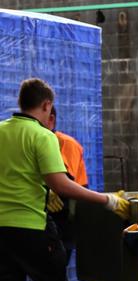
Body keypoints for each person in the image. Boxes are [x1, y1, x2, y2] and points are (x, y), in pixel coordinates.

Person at [1, 79, 129, 281]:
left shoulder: (1, 130)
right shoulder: (41, 135)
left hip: (1, 232)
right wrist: (106, 199)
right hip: (31, 228)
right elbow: (61, 184)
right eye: (50, 111)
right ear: (46, 106)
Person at [42, 105, 89, 259]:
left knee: (55, 267)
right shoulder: (36, 143)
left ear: (51, 120)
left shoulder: (65, 143)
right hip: (43, 216)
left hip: (65, 215)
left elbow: (66, 181)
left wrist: (51, 187)